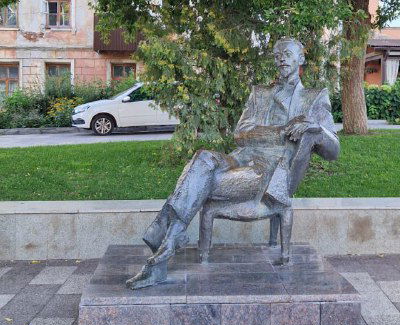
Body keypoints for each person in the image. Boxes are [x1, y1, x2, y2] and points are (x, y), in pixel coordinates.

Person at [126, 37, 339, 288]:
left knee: (200, 182)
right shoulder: (260, 93)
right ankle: (169, 239)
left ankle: (164, 243)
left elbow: (333, 150)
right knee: (203, 158)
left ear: (301, 58)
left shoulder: (314, 98)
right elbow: (240, 134)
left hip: (269, 172)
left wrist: (315, 128)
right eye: (277, 54)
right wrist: (281, 131)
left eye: (288, 53)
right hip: (241, 157)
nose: (281, 58)